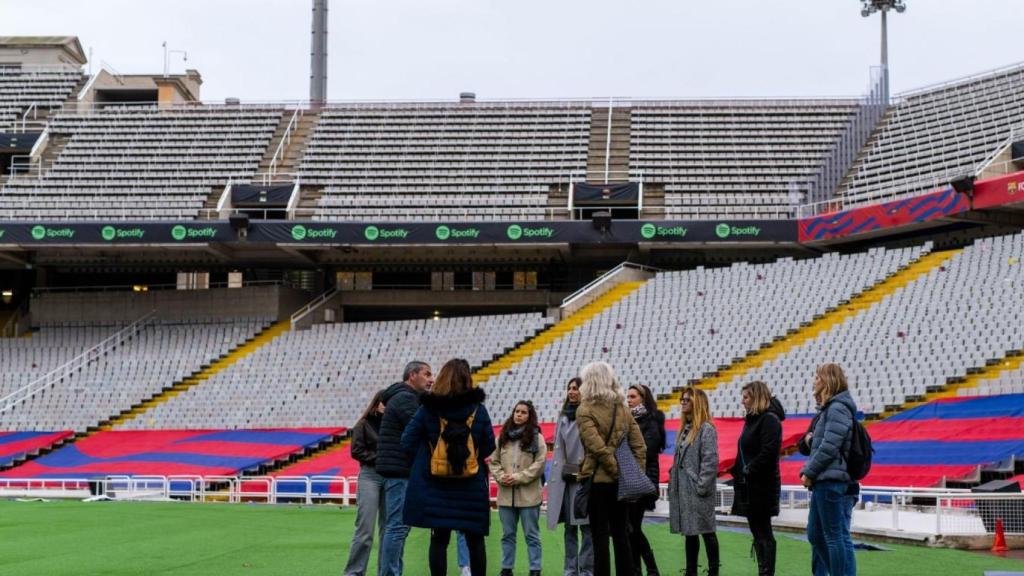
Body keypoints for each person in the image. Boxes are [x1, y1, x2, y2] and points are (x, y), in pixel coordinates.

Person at [401, 358, 495, 576]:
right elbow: (489, 445)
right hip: (471, 486)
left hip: (437, 486)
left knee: (439, 540)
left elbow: (407, 441)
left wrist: (429, 456)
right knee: (475, 540)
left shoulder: (428, 409)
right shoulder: (478, 411)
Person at [577, 361, 646, 576]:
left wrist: (616, 471)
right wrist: (632, 476)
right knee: (621, 534)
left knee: (599, 537)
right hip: (620, 484)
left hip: (598, 482)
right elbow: (640, 446)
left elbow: (597, 448)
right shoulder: (623, 409)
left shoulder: (584, 410)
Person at [799, 364, 858, 576]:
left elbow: (830, 446)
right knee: (816, 534)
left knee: (834, 536)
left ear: (827, 380)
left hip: (831, 480)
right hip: (824, 480)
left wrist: (809, 472)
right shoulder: (829, 410)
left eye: (817, 377)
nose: (814, 381)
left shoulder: (837, 408)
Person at [376, 361, 434, 576]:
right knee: (397, 527)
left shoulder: (404, 398)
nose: (432, 379)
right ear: (412, 375)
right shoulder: (405, 399)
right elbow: (422, 428)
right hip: (400, 470)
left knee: (398, 527)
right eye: (427, 374)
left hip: (400, 470)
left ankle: (392, 572)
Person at [730, 381, 785, 576]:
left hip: (762, 486)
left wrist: (748, 470)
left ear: (756, 397)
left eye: (746, 397)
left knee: (763, 532)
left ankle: (766, 571)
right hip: (752, 485)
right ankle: (764, 569)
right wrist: (736, 470)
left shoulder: (769, 419)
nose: (742, 401)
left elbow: (769, 452)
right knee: (758, 531)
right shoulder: (753, 420)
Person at [668, 387, 720, 576]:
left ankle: (714, 571)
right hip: (685, 490)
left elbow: (710, 461)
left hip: (697, 490)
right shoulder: (685, 428)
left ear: (697, 403)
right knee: (690, 533)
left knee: (707, 531)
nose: (682, 402)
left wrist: (701, 486)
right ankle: (691, 571)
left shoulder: (706, 428)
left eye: (687, 400)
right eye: (682, 399)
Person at [492, 400, 547, 576]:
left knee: (532, 535)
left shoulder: (537, 438)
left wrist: (517, 478)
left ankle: (535, 569)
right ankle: (506, 568)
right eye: (517, 411)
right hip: (506, 495)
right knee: (507, 535)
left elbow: (539, 465)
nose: (519, 415)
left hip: (529, 496)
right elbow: (494, 461)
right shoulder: (502, 437)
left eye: (523, 412)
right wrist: (501, 476)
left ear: (529, 416)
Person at [547, 377, 595, 576]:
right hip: (566, 481)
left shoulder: (589, 415)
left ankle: (586, 571)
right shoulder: (563, 416)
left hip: (584, 479)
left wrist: (584, 469)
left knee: (586, 529)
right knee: (569, 529)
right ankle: (569, 571)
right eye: (569, 388)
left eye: (576, 388)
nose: (572, 392)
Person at [343, 390, 387, 576]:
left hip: (391, 476)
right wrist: (381, 458)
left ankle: (386, 572)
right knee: (365, 529)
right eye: (385, 403)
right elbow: (357, 451)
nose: (388, 406)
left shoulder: (395, 426)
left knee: (389, 530)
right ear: (376, 403)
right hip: (370, 475)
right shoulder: (363, 424)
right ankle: (354, 572)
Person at [626, 384, 665, 576]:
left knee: (633, 527)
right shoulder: (628, 419)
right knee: (631, 528)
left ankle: (651, 568)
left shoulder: (651, 420)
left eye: (633, 396)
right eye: (628, 397)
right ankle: (638, 570)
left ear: (643, 398)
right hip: (629, 480)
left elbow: (647, 450)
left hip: (643, 480)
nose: (629, 400)